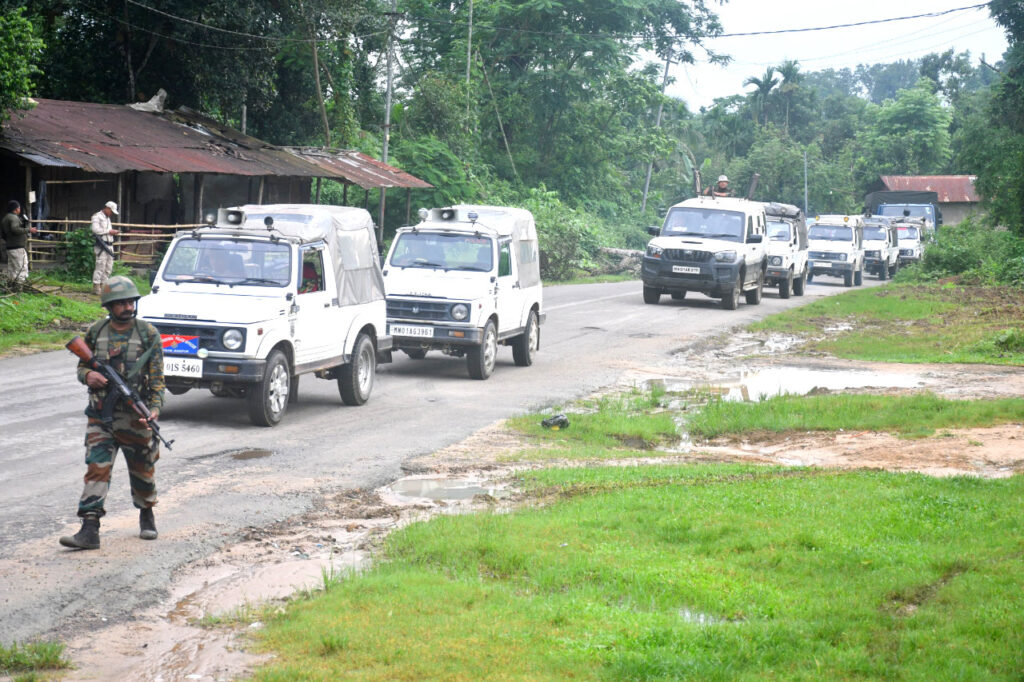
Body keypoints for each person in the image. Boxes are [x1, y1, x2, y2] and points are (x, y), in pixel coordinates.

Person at [60, 276, 165, 550]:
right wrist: (89, 376)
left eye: (131, 301)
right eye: (121, 303)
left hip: (135, 418)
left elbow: (157, 380)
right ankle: (89, 529)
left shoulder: (148, 334)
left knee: (143, 470)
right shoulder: (96, 331)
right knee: (96, 469)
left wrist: (153, 410)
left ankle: (146, 514)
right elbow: (82, 367)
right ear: (109, 306)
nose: (128, 307)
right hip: (100, 418)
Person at [2, 200, 38, 284]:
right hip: (17, 247)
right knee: (21, 267)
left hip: (10, 247)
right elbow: (15, 229)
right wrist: (28, 229)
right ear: (16, 209)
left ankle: (12, 284)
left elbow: (4, 234)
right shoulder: (13, 218)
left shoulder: (6, 217)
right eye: (19, 208)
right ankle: (20, 286)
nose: (20, 209)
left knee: (12, 268)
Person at [91, 201, 120, 296]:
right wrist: (109, 231)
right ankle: (96, 287)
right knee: (100, 266)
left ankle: (104, 286)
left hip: (109, 245)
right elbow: (95, 230)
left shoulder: (107, 218)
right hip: (101, 246)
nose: (111, 213)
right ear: (107, 208)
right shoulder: (97, 216)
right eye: (111, 211)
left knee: (108, 267)